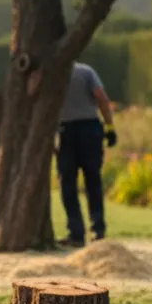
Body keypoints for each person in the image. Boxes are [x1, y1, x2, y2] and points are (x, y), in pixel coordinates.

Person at [56, 62, 117, 247]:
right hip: (90, 128)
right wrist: (110, 126)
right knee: (93, 181)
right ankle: (97, 230)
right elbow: (101, 98)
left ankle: (76, 233)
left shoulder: (52, 73)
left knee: (67, 183)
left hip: (64, 130)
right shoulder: (86, 71)